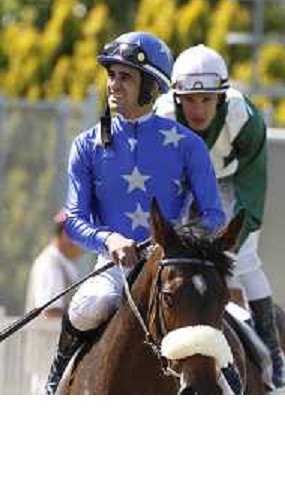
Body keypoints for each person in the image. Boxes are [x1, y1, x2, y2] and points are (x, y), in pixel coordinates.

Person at [45, 32, 225, 395]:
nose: (113, 84)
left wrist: (176, 243)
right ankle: (55, 385)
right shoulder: (85, 145)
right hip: (115, 269)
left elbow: (214, 215)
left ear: (150, 87)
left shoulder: (188, 146)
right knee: (86, 305)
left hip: (174, 270)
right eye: (111, 75)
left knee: (221, 324)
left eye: (125, 76)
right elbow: (75, 219)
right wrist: (109, 239)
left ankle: (231, 386)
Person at [155, 44, 285, 394]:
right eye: (190, 100)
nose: (198, 110)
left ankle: (270, 344)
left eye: (207, 100)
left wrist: (232, 240)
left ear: (222, 98)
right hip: (182, 184)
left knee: (244, 260)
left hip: (230, 182)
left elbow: (251, 187)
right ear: (177, 98)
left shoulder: (245, 119)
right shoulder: (162, 117)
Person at [25, 210, 84, 394]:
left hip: (56, 355)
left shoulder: (63, 263)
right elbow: (51, 310)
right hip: (47, 356)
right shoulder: (50, 264)